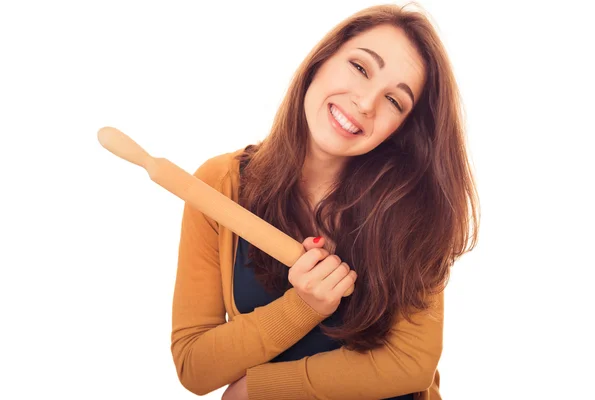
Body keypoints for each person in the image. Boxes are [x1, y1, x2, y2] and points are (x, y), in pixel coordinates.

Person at [170, 3, 480, 399]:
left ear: (402, 128)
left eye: (394, 101)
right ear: (322, 60)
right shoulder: (219, 185)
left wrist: (263, 389)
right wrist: (303, 306)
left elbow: (410, 364)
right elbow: (195, 366)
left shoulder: (414, 209)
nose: (366, 102)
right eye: (361, 67)